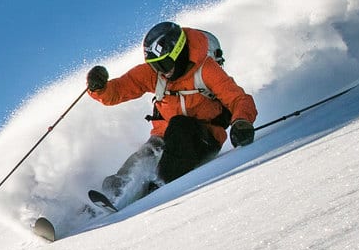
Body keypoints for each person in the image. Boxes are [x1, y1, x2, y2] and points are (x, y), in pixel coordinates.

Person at [84, 21, 257, 209]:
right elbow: (116, 92)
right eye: (155, 65)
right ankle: (100, 206)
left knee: (180, 126)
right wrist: (98, 87)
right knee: (140, 160)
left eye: (164, 63)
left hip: (203, 137)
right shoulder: (155, 74)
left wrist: (241, 122)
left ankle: (158, 186)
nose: (162, 71)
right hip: (164, 137)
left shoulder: (206, 70)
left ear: (179, 53)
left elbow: (239, 99)